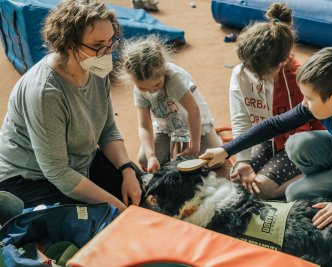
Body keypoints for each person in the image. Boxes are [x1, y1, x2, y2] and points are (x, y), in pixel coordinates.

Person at [200, 47, 332, 229]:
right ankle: (330, 187)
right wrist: (226, 150)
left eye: (309, 98)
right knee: (296, 144)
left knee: (296, 194)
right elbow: (275, 124)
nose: (304, 102)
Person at [0, 0, 142, 213]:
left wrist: (127, 170)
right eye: (97, 46)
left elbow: (107, 129)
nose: (106, 52)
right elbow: (57, 171)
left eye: (111, 42)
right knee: (100, 223)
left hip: (77, 162)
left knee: (143, 190)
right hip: (30, 177)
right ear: (69, 44)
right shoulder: (45, 93)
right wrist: (116, 207)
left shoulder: (95, 67)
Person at [229, 2, 324, 200]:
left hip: (300, 144)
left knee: (261, 190)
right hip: (267, 137)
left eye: (259, 72)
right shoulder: (242, 71)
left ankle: (321, 178)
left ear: (281, 63)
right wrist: (243, 161)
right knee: (239, 180)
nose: (252, 74)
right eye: (247, 67)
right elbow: (241, 119)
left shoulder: (301, 77)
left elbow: (321, 126)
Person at [118, 35, 222, 173]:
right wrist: (151, 156)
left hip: (195, 122)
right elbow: (144, 125)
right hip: (167, 126)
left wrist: (195, 146)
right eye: (144, 88)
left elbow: (193, 111)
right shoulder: (139, 87)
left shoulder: (174, 78)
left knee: (213, 161)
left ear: (164, 72)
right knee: (144, 159)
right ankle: (168, 152)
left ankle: (215, 139)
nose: (151, 91)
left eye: (156, 85)